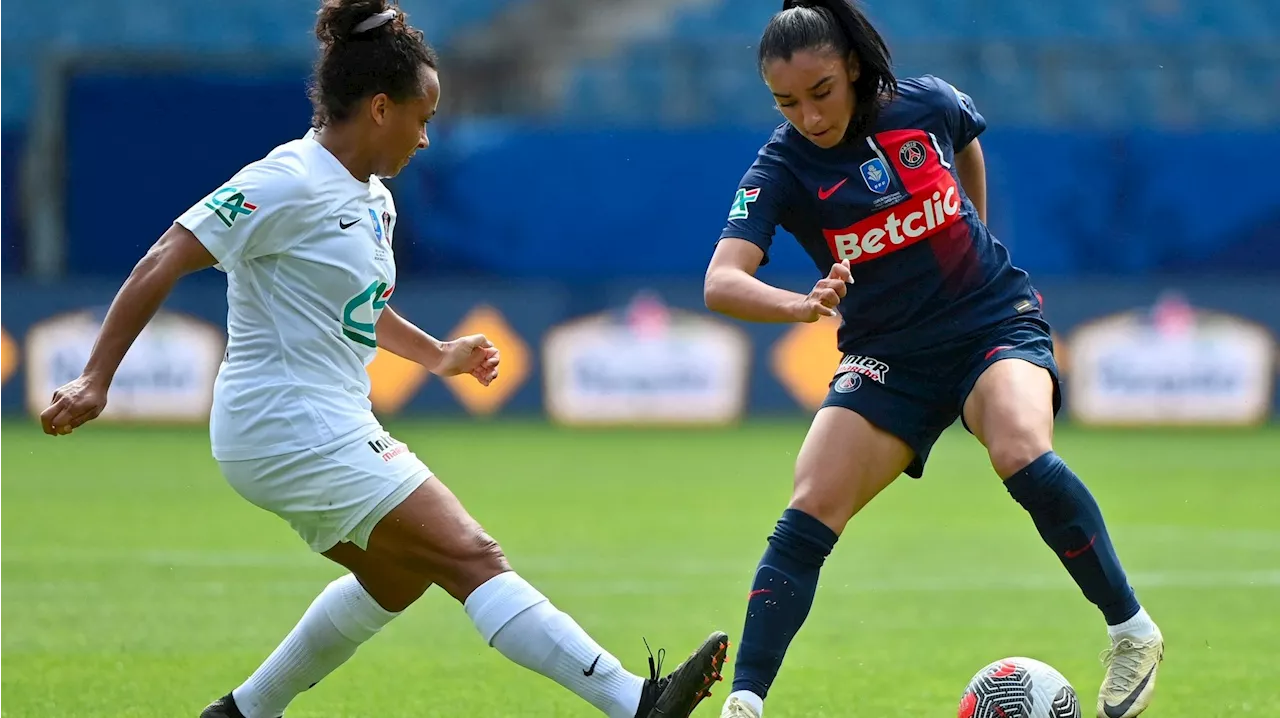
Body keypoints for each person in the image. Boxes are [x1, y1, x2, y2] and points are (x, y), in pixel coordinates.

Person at [37, 1, 728, 716]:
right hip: (283, 421)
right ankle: (634, 703)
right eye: (421, 118)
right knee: (472, 557)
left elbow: (360, 308)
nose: (427, 138)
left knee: (394, 580)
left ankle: (242, 712)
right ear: (378, 108)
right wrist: (97, 377)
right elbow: (164, 256)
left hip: (322, 416)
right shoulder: (287, 179)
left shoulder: (374, 200)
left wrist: (439, 354)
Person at [702, 2, 1163, 717]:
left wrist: (972, 235)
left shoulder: (926, 103)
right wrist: (798, 304)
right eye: (786, 102)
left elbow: (966, 142)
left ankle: (1132, 631)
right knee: (810, 507)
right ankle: (744, 706)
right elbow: (720, 281)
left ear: (852, 67)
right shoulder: (783, 166)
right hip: (888, 355)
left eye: (821, 91)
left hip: (989, 324)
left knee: (1016, 446)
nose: (809, 116)